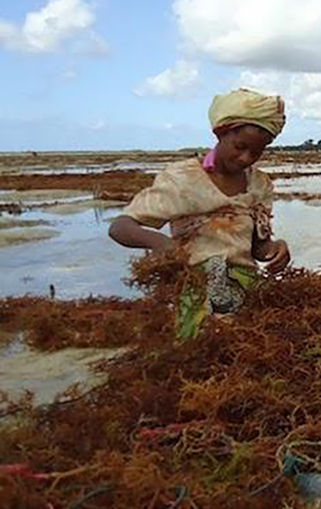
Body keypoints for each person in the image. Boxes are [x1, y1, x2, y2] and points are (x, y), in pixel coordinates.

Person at [109, 88, 291, 339]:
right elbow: (120, 227)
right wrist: (161, 243)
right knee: (210, 345)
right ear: (221, 133)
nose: (245, 158)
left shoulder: (258, 185)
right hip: (195, 285)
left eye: (256, 152)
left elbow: (257, 247)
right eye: (239, 147)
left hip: (245, 285)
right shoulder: (183, 179)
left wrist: (274, 249)